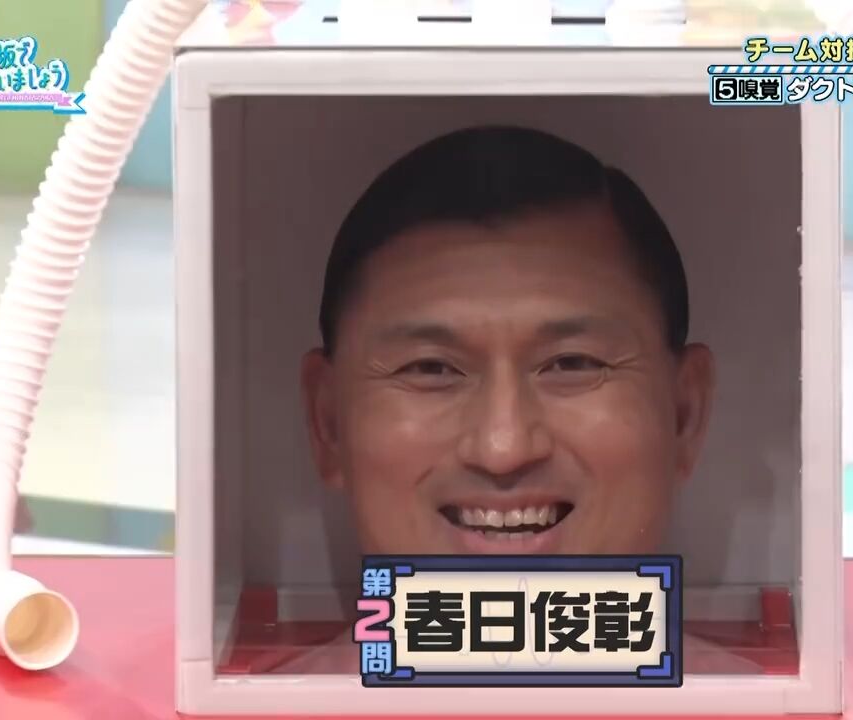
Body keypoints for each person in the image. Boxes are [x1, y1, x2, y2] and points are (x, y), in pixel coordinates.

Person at [282, 125, 757, 674]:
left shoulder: (789, 708)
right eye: (431, 369)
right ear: (328, 423)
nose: (503, 449)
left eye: (573, 364)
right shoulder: (244, 710)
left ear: (684, 415)